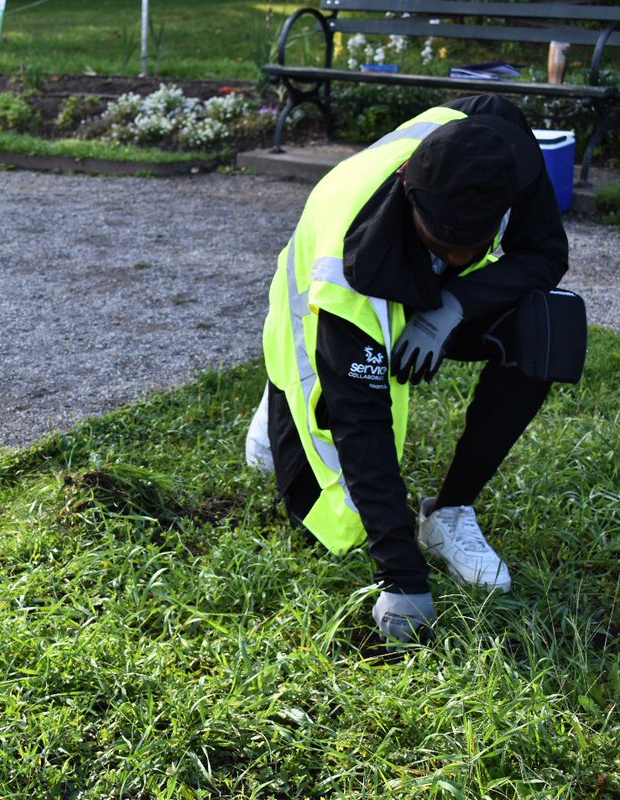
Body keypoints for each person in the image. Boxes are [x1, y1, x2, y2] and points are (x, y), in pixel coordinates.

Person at [246, 94, 587, 644]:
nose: (456, 258)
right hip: (335, 291)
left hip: (427, 294)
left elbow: (544, 254)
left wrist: (451, 306)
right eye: (442, 245)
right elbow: (364, 426)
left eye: (468, 248)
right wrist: (401, 578)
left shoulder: (504, 155)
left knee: (552, 323)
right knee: (324, 518)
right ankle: (283, 391)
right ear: (409, 189)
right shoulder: (345, 266)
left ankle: (448, 514)